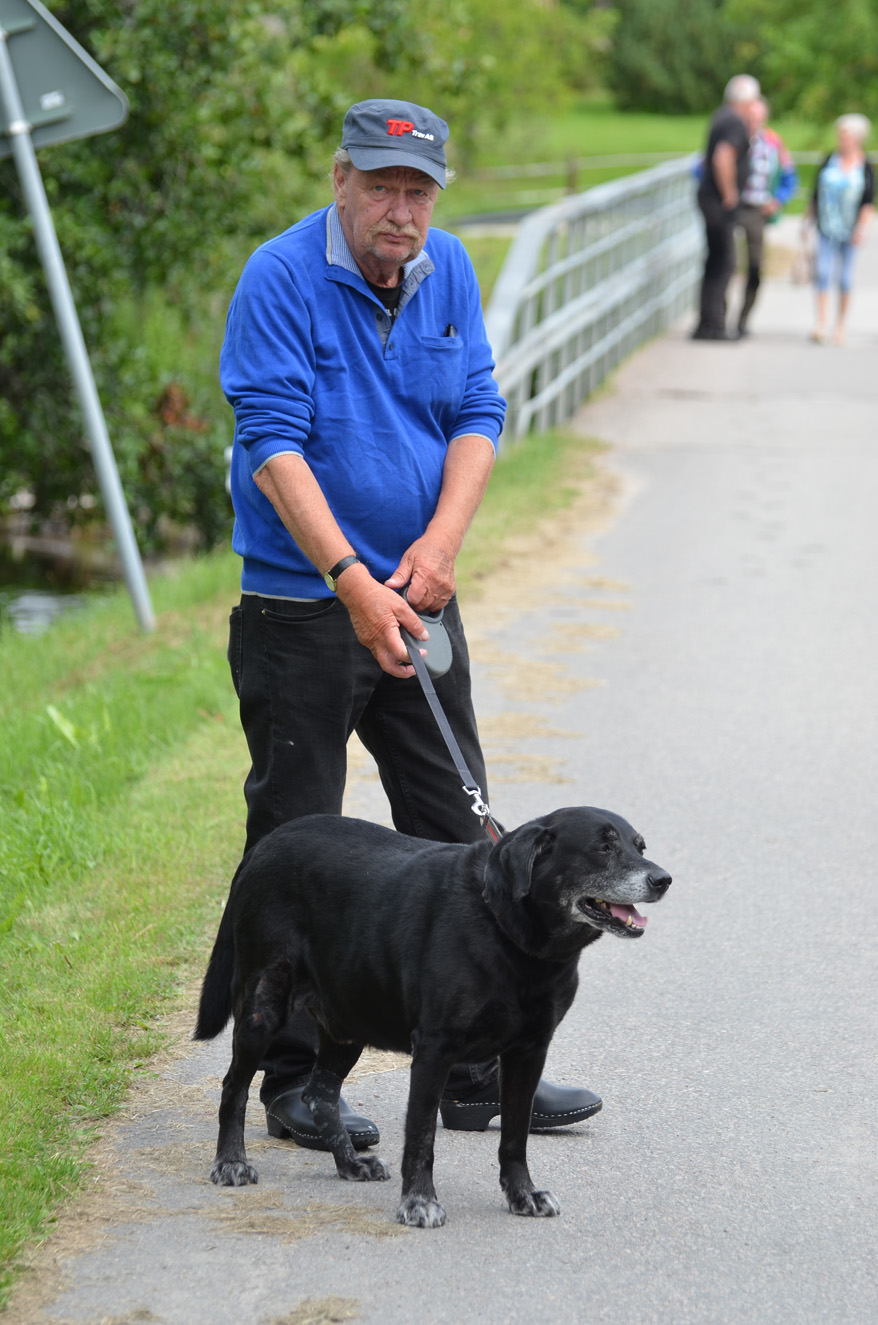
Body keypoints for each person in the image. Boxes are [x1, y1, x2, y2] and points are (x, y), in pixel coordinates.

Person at [219, 98, 602, 1153]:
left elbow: (479, 412)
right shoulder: (279, 277)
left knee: (460, 828)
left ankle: (472, 1063)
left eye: (418, 190)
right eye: (381, 187)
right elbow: (272, 442)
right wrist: (349, 578)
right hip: (302, 605)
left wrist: (435, 551)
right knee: (299, 840)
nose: (401, 210)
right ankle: (292, 1078)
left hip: (419, 592)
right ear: (339, 177)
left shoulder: (448, 272)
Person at [692, 74, 761, 340]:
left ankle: (706, 324)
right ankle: (715, 326)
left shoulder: (720, 115)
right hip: (718, 203)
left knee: (714, 261)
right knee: (724, 263)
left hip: (708, 199)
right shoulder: (734, 121)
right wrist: (731, 196)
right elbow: (723, 159)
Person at [807, 113, 874, 345]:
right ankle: (821, 323)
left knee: (845, 278)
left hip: (850, 228)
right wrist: (807, 222)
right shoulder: (829, 159)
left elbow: (868, 201)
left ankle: (840, 326)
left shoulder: (864, 166)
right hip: (826, 226)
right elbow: (815, 193)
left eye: (845, 135)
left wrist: (862, 229)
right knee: (823, 273)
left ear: (857, 138)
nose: (840, 139)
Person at [735, 98, 798, 337]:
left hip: (757, 210)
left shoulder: (773, 142)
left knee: (755, 266)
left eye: (757, 117)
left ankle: (742, 320)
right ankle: (719, 316)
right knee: (726, 263)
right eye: (749, 116)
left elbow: (790, 177)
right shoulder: (732, 137)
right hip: (733, 208)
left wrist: (778, 200)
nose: (753, 121)